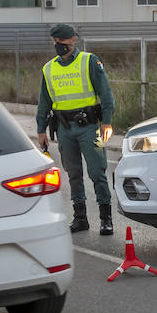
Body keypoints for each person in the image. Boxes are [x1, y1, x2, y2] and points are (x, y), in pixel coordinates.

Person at [36, 23, 116, 235]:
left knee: (97, 172)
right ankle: (80, 218)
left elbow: (106, 94)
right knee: (73, 174)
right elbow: (44, 102)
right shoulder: (48, 68)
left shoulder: (89, 61)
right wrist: (40, 129)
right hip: (64, 128)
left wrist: (106, 122)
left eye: (61, 41)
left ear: (73, 40)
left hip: (90, 127)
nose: (57, 45)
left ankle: (106, 219)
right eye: (55, 42)